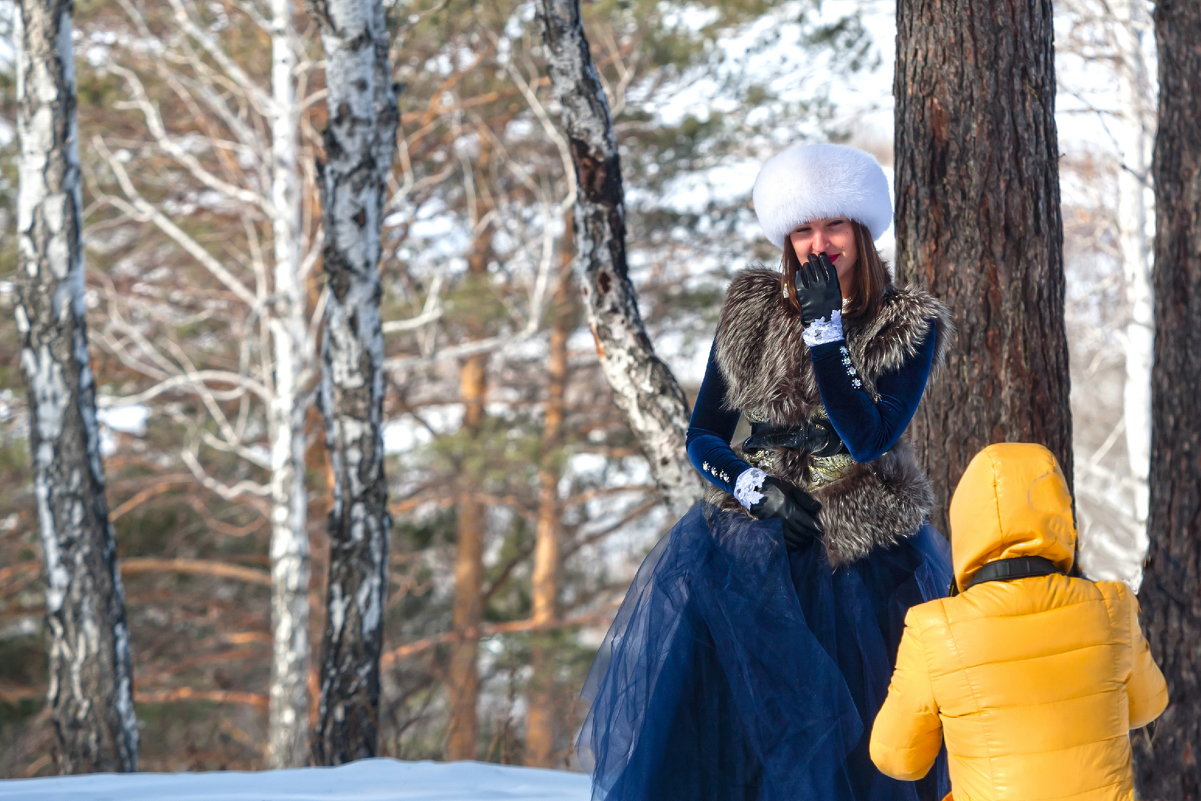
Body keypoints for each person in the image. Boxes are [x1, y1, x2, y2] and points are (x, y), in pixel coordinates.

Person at [577, 143, 954, 801]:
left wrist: (824, 332)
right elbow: (703, 436)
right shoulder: (750, 309)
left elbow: (869, 436)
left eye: (833, 225)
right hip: (751, 552)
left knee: (860, 743)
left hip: (864, 559)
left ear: (860, 232)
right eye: (802, 230)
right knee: (723, 744)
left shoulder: (906, 322)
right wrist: (756, 489)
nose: (818, 243)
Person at [870, 442, 1169, 801]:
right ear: (1060, 516)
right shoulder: (1111, 608)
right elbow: (1148, 705)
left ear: (967, 522)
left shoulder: (935, 629)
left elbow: (898, 759)